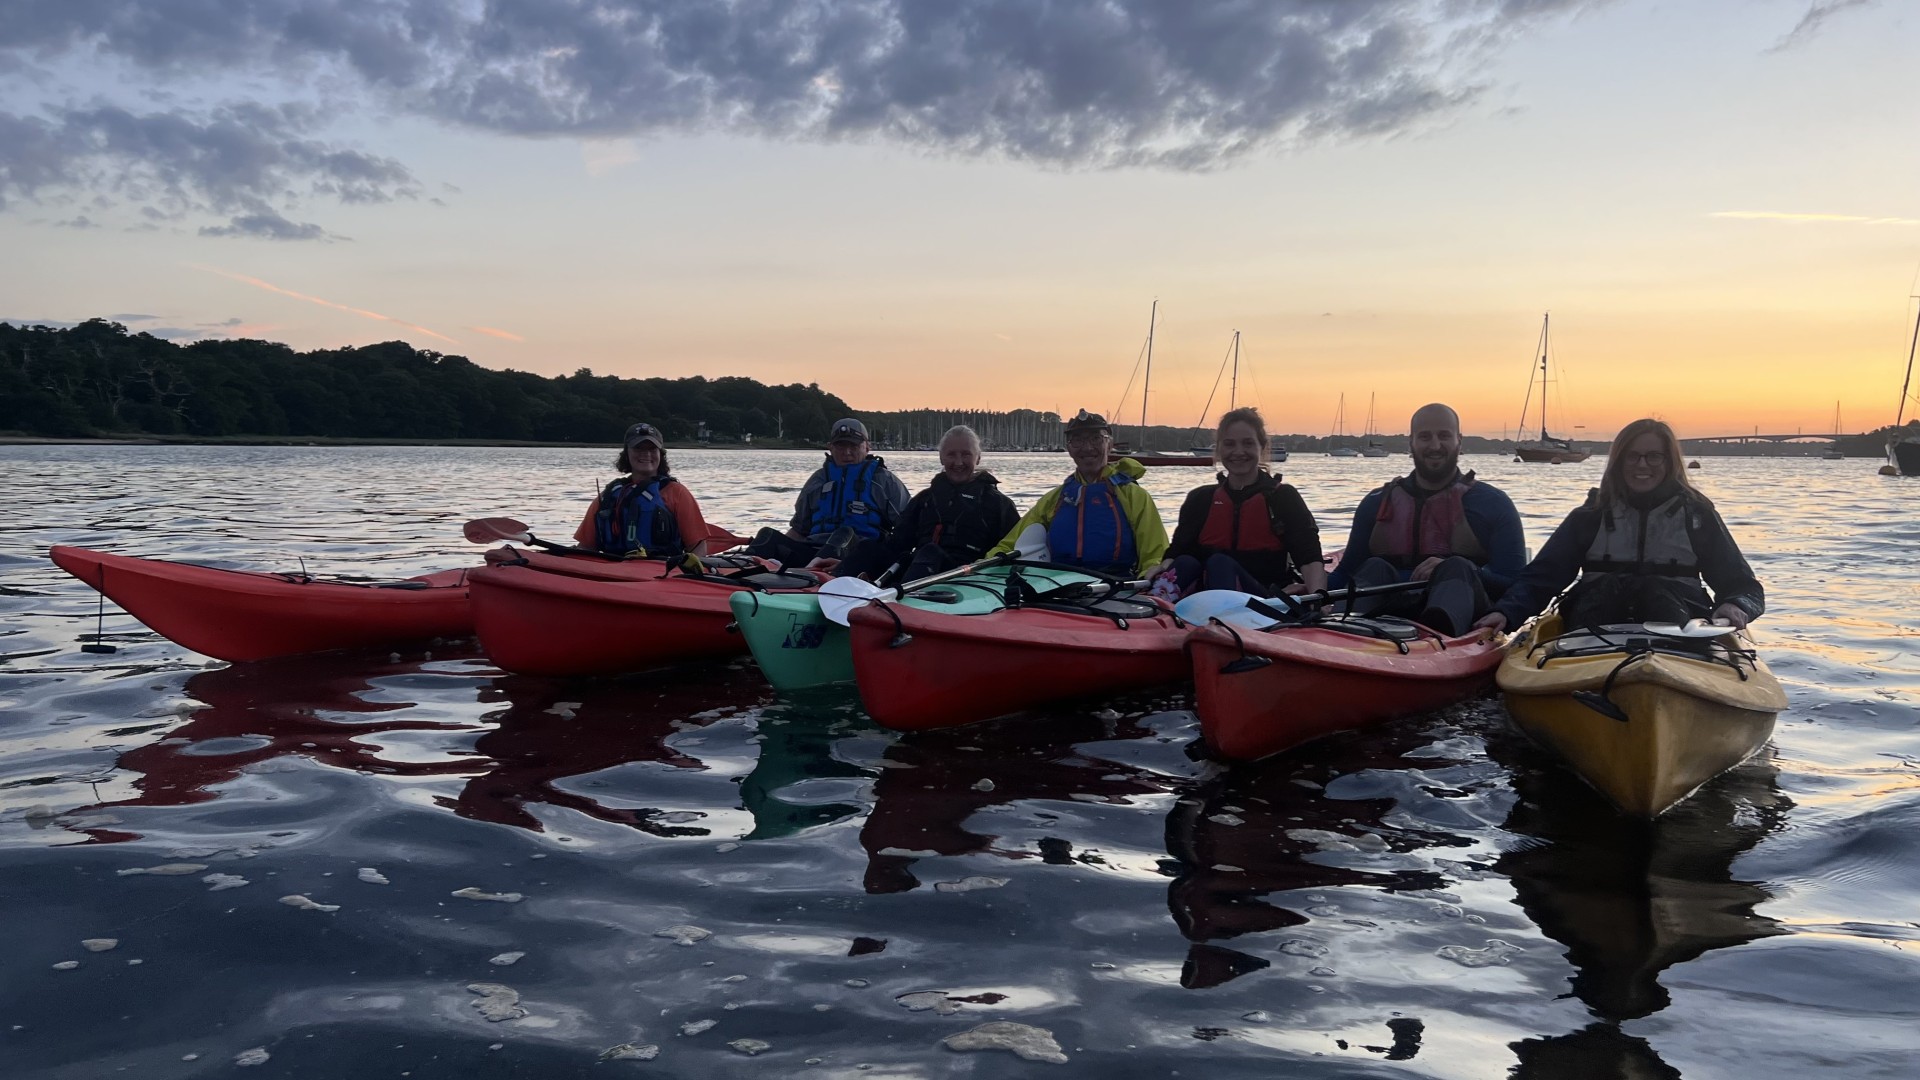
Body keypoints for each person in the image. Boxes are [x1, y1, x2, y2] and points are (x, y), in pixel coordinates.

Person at [1474, 419, 1763, 634]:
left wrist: (1736, 604)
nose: (1642, 464)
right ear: (1619, 460)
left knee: (1655, 591)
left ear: (1669, 461)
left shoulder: (1697, 516)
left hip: (1677, 620)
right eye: (1632, 455)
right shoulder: (1589, 516)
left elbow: (1743, 586)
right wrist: (1506, 612)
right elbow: (1542, 578)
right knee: (1609, 590)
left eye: (1654, 456)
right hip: (1599, 621)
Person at [1328, 402, 1527, 634]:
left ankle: (1437, 636)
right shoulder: (1375, 503)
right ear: (1411, 442)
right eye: (1424, 437)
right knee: (1374, 567)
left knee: (1457, 566)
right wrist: (1313, 588)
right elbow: (1347, 573)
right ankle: (1340, 633)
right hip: (1387, 615)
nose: (1435, 445)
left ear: (1458, 441)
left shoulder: (1493, 503)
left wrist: (1469, 570)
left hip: (1460, 618)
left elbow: (1514, 584)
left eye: (1444, 436)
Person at [1158, 407, 1327, 596]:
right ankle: (1153, 611)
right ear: (1219, 449)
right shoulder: (1200, 499)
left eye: (1248, 443)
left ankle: (1222, 619)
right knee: (1185, 562)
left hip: (1264, 599)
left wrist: (1319, 598)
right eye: (1229, 444)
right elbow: (1177, 552)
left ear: (1261, 447)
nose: (1238, 452)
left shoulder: (1283, 497)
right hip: (1203, 599)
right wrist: (1160, 569)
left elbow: (1309, 556)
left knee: (1219, 563)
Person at [987, 410, 1168, 577]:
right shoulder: (1054, 499)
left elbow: (1155, 555)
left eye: (1096, 439)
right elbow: (1012, 543)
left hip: (1115, 586)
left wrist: (1150, 580)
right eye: (1077, 441)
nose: (1087, 448)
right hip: (1058, 586)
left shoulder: (1134, 496)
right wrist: (984, 564)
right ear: (1069, 448)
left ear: (1109, 444)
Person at [833, 425, 1021, 582]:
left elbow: (1016, 551)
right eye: (951, 455)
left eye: (966, 455)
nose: (958, 462)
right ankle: (827, 590)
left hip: (967, 577)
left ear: (977, 458)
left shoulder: (998, 504)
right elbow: (897, 543)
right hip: (920, 571)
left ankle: (902, 606)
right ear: (941, 458)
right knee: (868, 547)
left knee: (930, 552)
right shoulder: (925, 500)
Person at [745, 417, 911, 568]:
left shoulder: (884, 480)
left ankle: (809, 577)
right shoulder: (817, 481)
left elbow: (908, 528)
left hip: (859, 556)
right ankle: (734, 572)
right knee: (766, 536)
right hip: (813, 551)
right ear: (830, 447)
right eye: (841, 446)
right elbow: (799, 530)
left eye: (853, 446)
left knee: (844, 533)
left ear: (867, 446)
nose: (847, 452)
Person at [573, 422, 710, 558]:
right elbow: (585, 548)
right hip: (613, 571)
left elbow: (698, 547)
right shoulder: (607, 497)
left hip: (662, 572)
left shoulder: (677, 493)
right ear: (627, 454)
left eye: (652, 449)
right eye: (639, 449)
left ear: (660, 455)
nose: (646, 454)